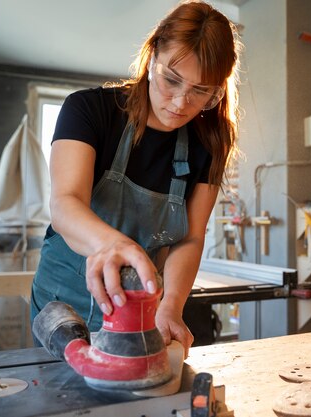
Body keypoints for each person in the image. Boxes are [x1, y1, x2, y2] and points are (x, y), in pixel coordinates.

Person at [30, 0, 241, 358]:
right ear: (152, 54)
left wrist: (171, 304)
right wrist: (113, 245)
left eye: (200, 91)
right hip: (62, 307)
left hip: (142, 311)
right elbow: (65, 205)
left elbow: (189, 238)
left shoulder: (209, 143)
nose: (180, 102)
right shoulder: (88, 110)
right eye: (171, 80)